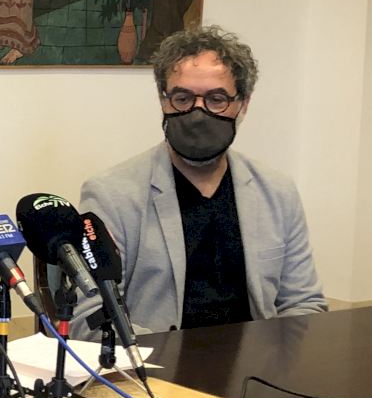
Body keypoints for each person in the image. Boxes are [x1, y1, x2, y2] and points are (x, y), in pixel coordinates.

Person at [73, 26, 326, 338]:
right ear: (163, 100)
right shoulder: (112, 194)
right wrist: (155, 359)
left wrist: (276, 358)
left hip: (256, 361)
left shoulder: (277, 192)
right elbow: (90, 315)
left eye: (217, 99)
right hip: (156, 361)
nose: (197, 113)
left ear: (243, 105)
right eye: (182, 98)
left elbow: (304, 304)